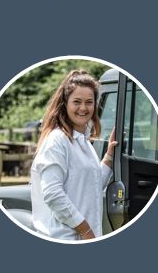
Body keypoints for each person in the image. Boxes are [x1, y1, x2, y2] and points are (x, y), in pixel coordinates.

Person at [29, 69, 118, 241]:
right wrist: (85, 230)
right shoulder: (57, 140)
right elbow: (53, 193)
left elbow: (92, 186)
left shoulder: (83, 141)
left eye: (89, 102)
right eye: (77, 102)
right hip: (65, 238)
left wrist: (109, 157)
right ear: (65, 103)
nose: (83, 108)